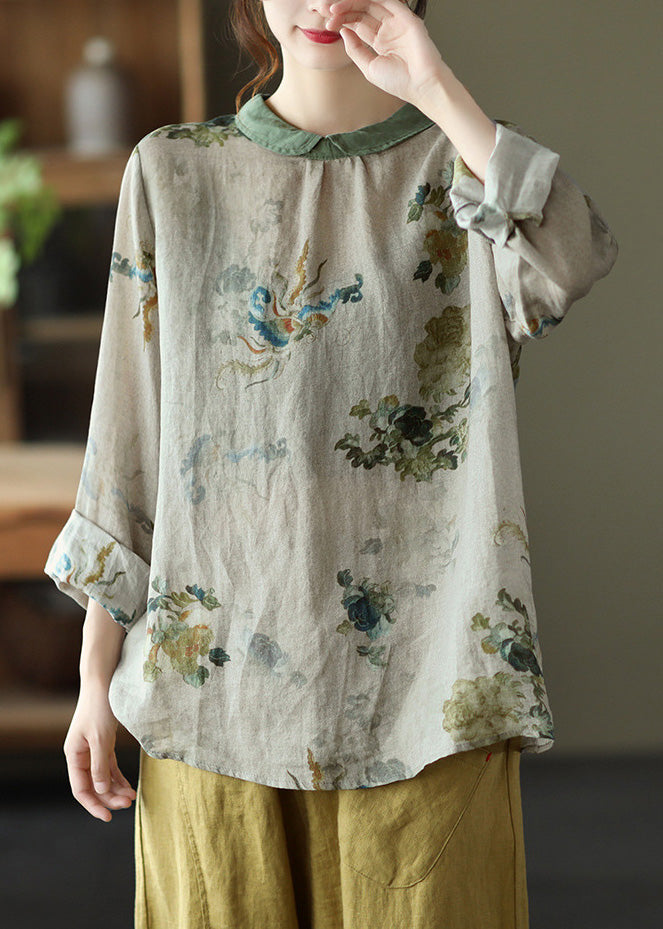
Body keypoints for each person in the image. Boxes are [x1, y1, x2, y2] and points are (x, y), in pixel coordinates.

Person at [43, 0, 619, 926]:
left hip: (431, 694)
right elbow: (128, 438)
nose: (324, 2)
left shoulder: (464, 165)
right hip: (209, 693)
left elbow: (569, 255)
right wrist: (92, 678)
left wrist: (433, 86)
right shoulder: (173, 171)